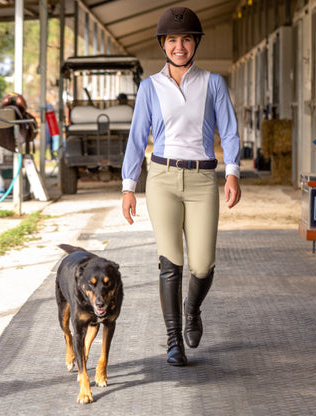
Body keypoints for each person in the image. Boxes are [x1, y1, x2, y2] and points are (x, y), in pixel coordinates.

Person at [121, 7, 241, 366]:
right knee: (170, 262)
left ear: (195, 43)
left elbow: (230, 130)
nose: (179, 46)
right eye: (172, 39)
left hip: (203, 180)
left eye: (186, 39)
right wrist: (129, 186)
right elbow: (136, 137)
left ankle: (192, 309)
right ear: (163, 44)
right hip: (162, 179)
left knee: (202, 264)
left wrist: (233, 172)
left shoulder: (213, 83)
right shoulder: (149, 87)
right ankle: (174, 342)